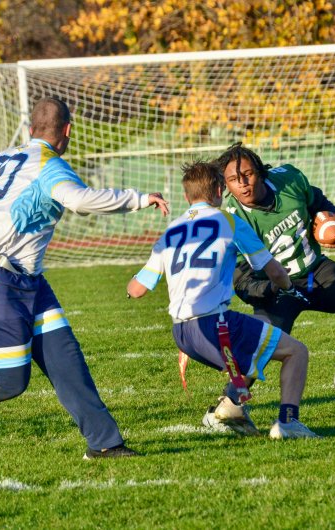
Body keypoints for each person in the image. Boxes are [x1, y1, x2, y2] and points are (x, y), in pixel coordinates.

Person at [0, 97, 169, 459]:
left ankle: (104, 442)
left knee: (63, 355)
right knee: (5, 379)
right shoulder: (52, 167)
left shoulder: (2, 159)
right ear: (67, 131)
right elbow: (79, 200)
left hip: (21, 277)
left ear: (30, 129)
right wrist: (138, 198)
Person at [127, 160, 319, 439]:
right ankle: (288, 423)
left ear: (186, 196)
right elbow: (273, 269)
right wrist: (288, 287)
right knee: (296, 352)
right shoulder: (229, 221)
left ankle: (234, 412)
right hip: (215, 326)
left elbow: (137, 289)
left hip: (181, 334)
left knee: (259, 350)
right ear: (219, 190)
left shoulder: (171, 231)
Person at [199, 142, 335, 434]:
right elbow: (241, 280)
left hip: (313, 270)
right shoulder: (229, 219)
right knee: (257, 348)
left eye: (248, 174)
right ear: (225, 184)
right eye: (234, 179)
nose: (243, 184)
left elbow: (317, 201)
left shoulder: (289, 179)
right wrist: (271, 291)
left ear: (261, 171)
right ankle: (228, 404)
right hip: (273, 287)